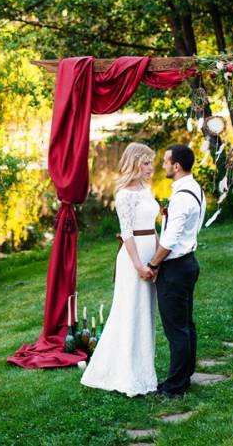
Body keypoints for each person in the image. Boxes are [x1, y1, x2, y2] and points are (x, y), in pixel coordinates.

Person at [80, 142, 160, 397]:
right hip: (133, 258)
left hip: (151, 252)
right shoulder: (124, 194)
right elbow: (127, 233)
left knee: (146, 312)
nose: (150, 167)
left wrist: (158, 258)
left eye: (151, 162)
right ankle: (125, 373)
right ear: (134, 163)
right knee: (130, 311)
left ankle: (144, 369)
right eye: (146, 162)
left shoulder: (146, 189)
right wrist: (139, 266)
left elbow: (153, 227)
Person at [145, 143, 205, 398]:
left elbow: (169, 241)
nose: (163, 165)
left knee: (176, 329)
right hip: (188, 262)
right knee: (185, 325)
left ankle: (174, 387)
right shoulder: (195, 188)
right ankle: (185, 376)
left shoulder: (181, 198)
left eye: (166, 161)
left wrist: (153, 264)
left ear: (176, 166)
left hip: (176, 268)